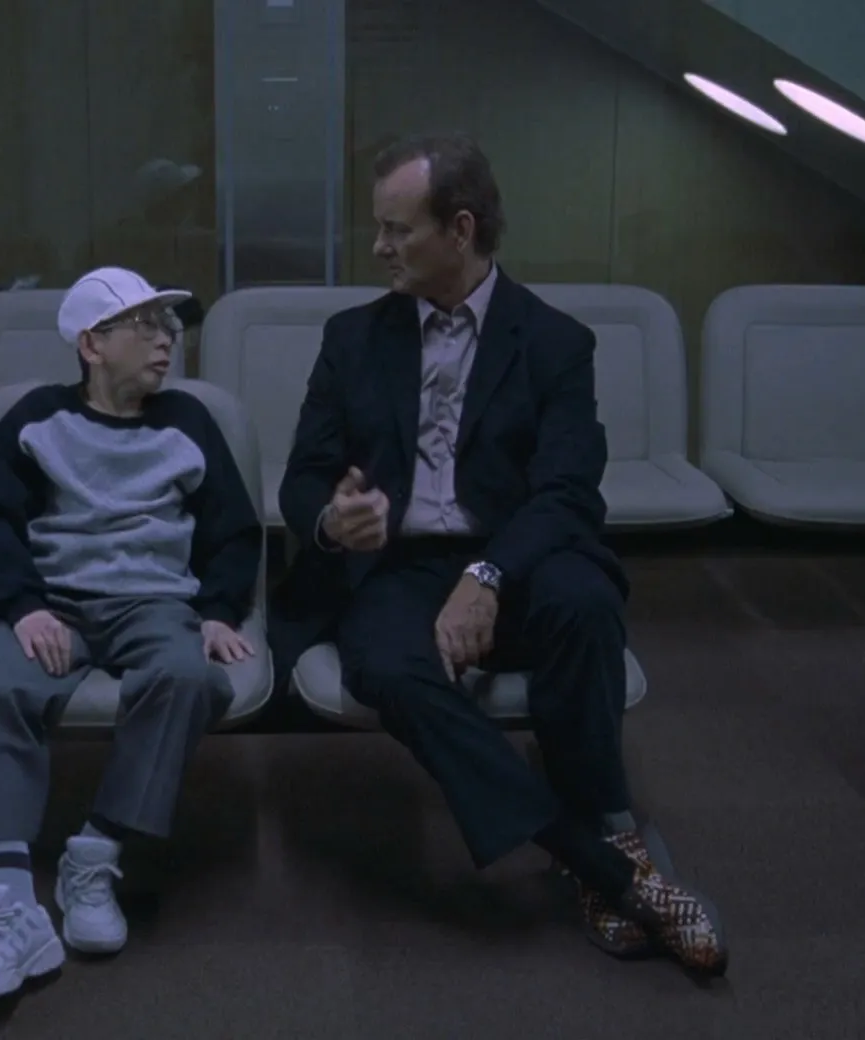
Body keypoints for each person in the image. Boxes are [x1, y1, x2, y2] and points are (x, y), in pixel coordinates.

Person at [272, 135, 728, 977]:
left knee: (584, 603)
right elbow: (302, 477)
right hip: (399, 565)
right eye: (378, 228)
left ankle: (606, 818)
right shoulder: (353, 337)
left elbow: (568, 492)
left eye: (397, 230)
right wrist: (333, 521)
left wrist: (488, 576)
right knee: (388, 667)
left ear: (461, 229)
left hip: (518, 553)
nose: (379, 248)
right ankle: (604, 861)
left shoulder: (555, 342)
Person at [0, 266, 261, 1004]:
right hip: (53, 601)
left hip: (155, 602)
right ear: (91, 344)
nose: (166, 341)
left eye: (168, 327)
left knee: (188, 677)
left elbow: (234, 530)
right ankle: (11, 907)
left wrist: (218, 610)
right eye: (145, 326)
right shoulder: (35, 418)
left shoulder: (188, 420)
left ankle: (94, 853)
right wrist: (23, 606)